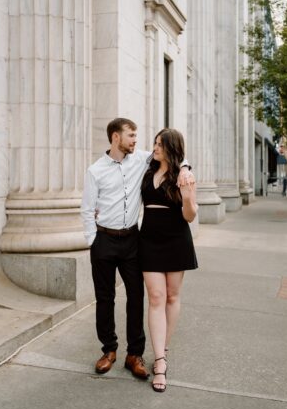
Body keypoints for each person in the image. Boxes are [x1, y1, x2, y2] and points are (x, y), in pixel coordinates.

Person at [80, 118, 152, 381]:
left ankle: (134, 355)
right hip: (104, 240)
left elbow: (170, 152)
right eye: (131, 135)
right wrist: (93, 241)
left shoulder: (141, 159)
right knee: (105, 299)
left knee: (136, 297)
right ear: (115, 138)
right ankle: (109, 350)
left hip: (132, 240)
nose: (135, 140)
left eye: (136, 135)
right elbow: (87, 209)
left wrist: (186, 167)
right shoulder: (95, 170)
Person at [140, 129, 198, 393]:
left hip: (176, 238)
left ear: (171, 148)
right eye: (155, 142)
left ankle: (162, 349)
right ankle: (160, 362)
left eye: (161, 144)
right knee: (155, 297)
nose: (155, 147)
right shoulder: (146, 166)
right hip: (149, 239)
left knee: (172, 297)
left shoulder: (184, 176)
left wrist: (187, 198)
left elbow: (189, 215)